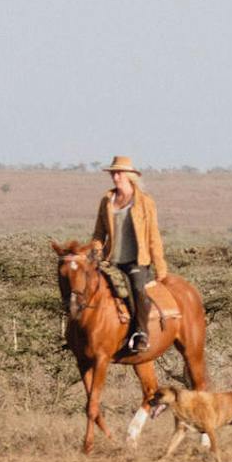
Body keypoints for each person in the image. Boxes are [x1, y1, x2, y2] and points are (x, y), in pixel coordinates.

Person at [92, 155, 167, 362]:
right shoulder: (107, 200)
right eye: (113, 173)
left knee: (136, 288)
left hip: (136, 260)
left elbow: (153, 235)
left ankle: (141, 333)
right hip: (111, 260)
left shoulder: (144, 202)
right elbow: (99, 233)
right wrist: (96, 252)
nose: (115, 176)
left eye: (119, 172)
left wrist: (160, 266)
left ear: (129, 175)